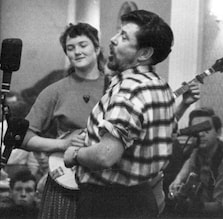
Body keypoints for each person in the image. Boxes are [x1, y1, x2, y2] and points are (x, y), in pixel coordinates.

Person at [63, 10, 175, 218]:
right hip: (144, 198)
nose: (113, 41)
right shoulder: (160, 86)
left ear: (144, 54)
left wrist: (75, 155)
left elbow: (105, 156)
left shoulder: (128, 90)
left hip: (109, 205)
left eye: (123, 37)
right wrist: (90, 139)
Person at [20, 22, 107, 219]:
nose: (77, 51)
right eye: (70, 48)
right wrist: (62, 143)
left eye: (83, 45)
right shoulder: (55, 90)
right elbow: (23, 137)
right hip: (66, 181)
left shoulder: (115, 87)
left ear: (97, 48)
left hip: (105, 180)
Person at [168, 107, 223, 217]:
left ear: (218, 132)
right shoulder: (196, 152)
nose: (201, 134)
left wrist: (185, 204)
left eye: (206, 129)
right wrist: (178, 180)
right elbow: (190, 161)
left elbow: (220, 207)